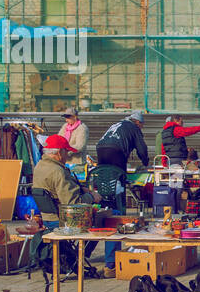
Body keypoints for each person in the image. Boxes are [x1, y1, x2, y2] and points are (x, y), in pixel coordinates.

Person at [93, 111, 149, 277]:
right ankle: (118, 208)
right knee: (118, 179)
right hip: (115, 151)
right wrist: (145, 162)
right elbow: (142, 147)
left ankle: (108, 201)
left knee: (107, 178)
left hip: (101, 150)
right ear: (138, 122)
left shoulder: (117, 125)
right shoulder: (133, 127)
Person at [31, 135, 95, 221]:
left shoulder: (39, 166)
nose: (68, 156)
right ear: (59, 152)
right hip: (62, 220)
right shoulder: (58, 171)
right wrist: (91, 197)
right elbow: (72, 204)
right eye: (67, 151)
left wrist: (81, 189)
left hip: (46, 218)